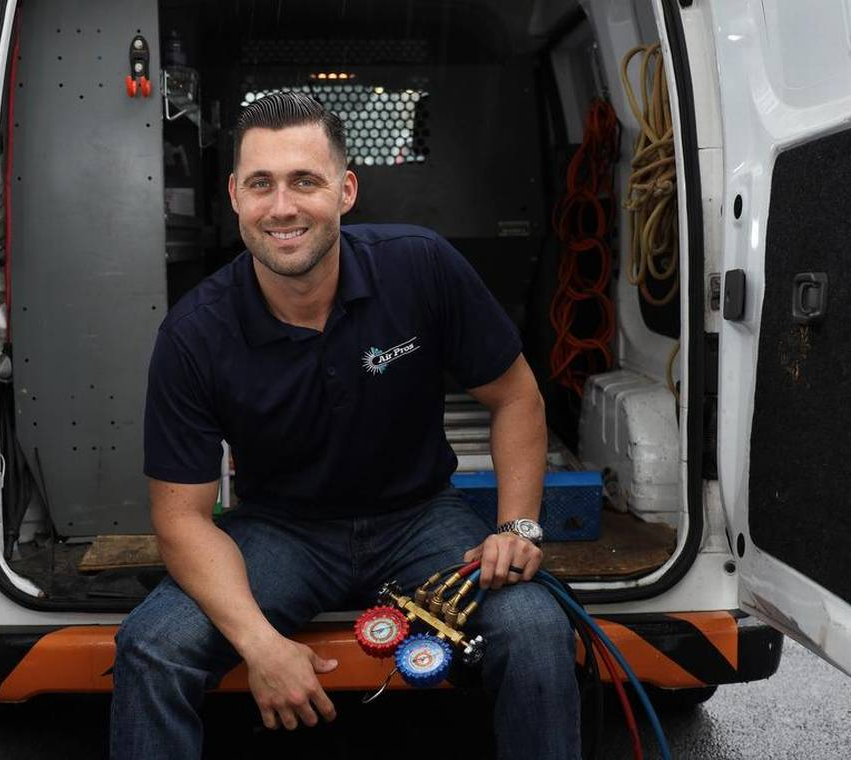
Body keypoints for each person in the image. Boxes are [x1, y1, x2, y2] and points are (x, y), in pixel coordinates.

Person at [111, 91, 580, 759]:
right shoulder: (194, 334)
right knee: (152, 646)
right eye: (261, 184)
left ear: (346, 190)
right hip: (281, 531)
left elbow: (516, 398)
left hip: (421, 518)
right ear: (235, 196)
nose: (282, 207)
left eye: (305, 181)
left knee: (535, 630)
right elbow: (180, 518)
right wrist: (261, 645)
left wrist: (516, 527)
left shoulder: (420, 265)